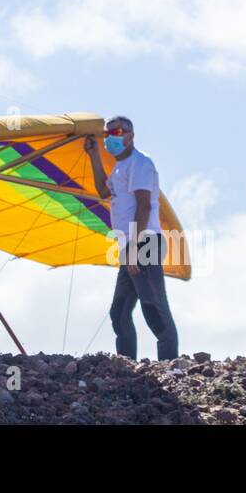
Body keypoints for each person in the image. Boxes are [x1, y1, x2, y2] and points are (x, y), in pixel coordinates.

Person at [84, 115, 179, 361]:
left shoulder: (141, 163)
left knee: (154, 307)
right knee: (120, 311)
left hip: (144, 242)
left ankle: (171, 366)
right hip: (129, 247)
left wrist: (136, 247)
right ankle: (126, 366)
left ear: (130, 136)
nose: (111, 138)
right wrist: (94, 156)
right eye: (108, 134)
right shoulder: (118, 169)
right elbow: (103, 191)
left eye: (117, 132)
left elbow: (144, 206)